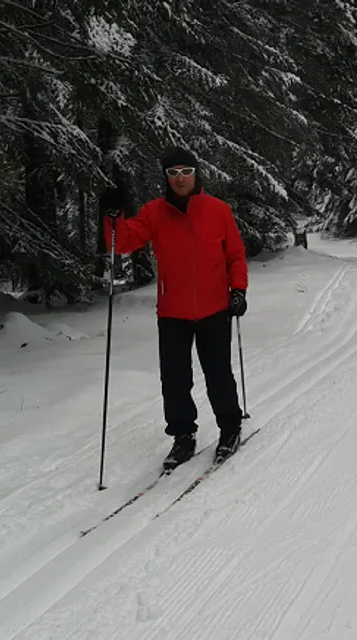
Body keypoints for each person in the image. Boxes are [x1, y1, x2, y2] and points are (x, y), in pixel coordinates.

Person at [100, 146, 249, 469]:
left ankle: (230, 427)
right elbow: (123, 242)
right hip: (172, 312)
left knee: (218, 374)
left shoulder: (218, 210)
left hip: (214, 308)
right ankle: (183, 436)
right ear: (165, 178)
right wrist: (113, 216)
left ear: (196, 174)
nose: (180, 179)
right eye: (173, 173)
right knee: (175, 380)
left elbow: (235, 255)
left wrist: (238, 290)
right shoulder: (154, 212)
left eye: (185, 172)